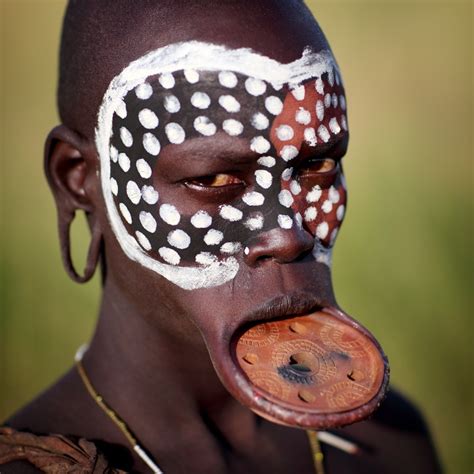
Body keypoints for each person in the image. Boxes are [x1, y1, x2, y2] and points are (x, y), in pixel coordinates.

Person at [0, 1, 441, 472]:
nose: (286, 236)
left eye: (317, 166)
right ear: (78, 179)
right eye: (213, 180)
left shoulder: (390, 444)